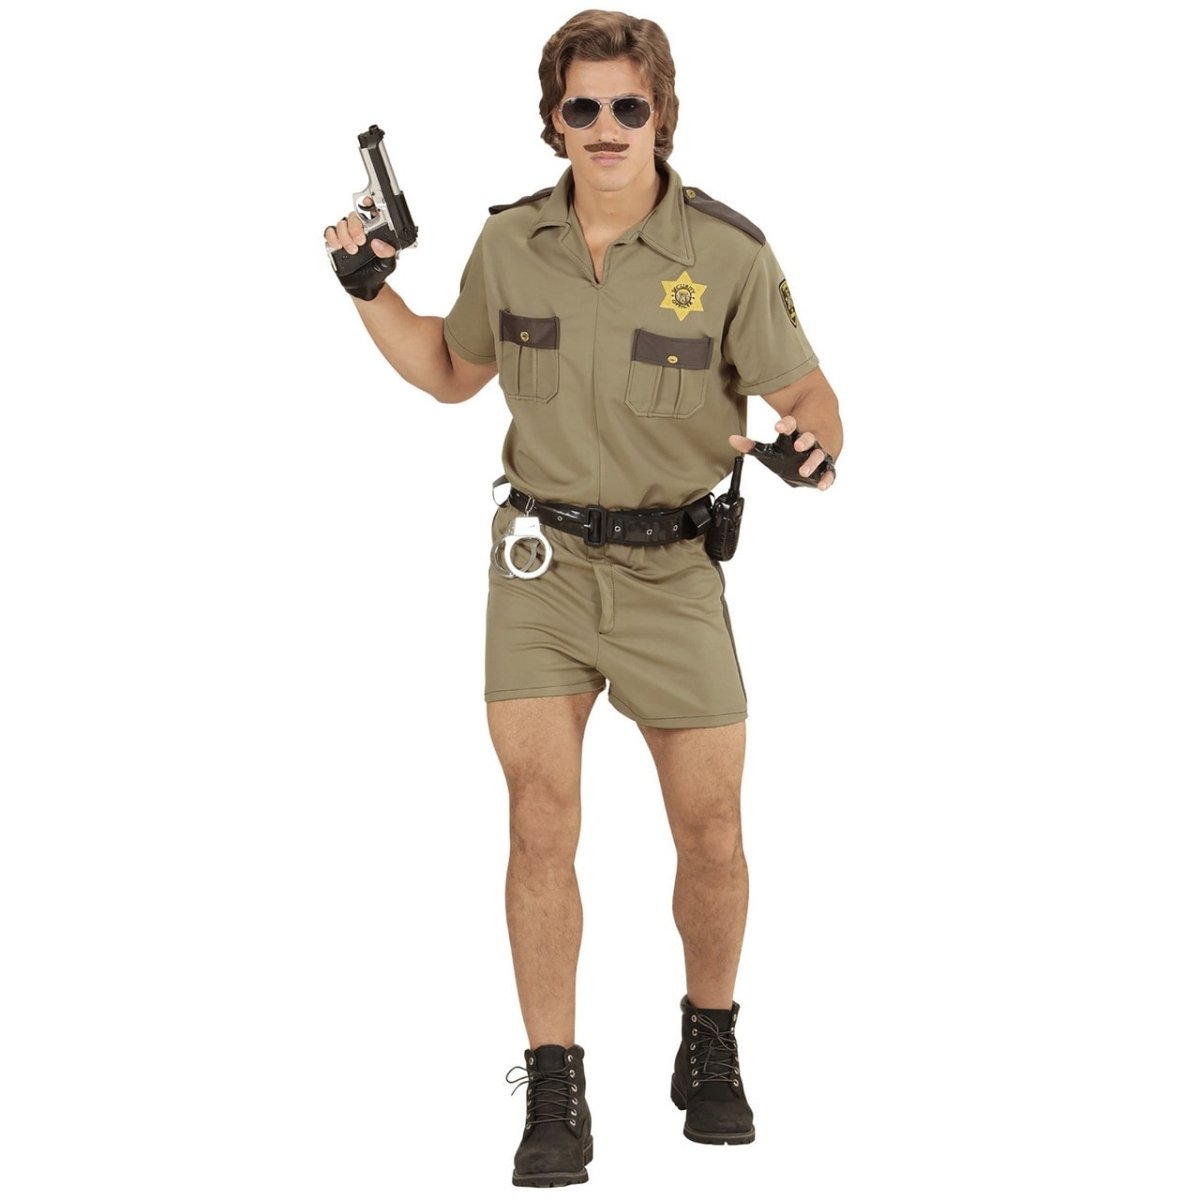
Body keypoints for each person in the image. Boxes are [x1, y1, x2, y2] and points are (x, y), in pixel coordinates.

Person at [325, 9, 842, 1188]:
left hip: (674, 574)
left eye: (628, 106)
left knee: (711, 831)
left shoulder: (729, 254)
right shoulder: (512, 243)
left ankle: (709, 1041)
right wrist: (366, 289)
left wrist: (812, 447)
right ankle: (554, 1078)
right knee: (539, 819)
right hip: (540, 569)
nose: (607, 127)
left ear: (663, 114)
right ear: (554, 120)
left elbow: (812, 395)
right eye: (583, 107)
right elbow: (449, 371)